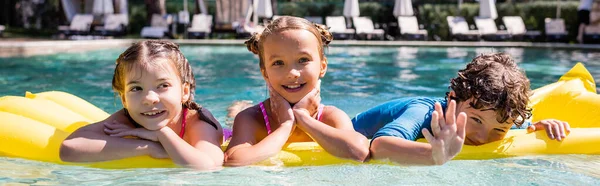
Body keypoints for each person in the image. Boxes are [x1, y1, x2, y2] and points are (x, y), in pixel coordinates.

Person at [352, 53, 571, 165]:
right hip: (348, 131)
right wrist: (433, 155)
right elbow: (378, 147)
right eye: (475, 121)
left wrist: (540, 127)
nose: (483, 138)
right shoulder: (423, 113)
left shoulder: (500, 120)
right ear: (453, 100)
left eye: (498, 131)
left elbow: (521, 127)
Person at [224, 16, 370, 166]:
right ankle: (237, 107)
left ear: (322, 66)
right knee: (233, 118)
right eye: (278, 63)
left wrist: (303, 118)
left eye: (303, 60)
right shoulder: (251, 118)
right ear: (265, 73)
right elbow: (233, 161)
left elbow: (360, 153)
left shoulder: (330, 117)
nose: (293, 73)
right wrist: (286, 125)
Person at [60, 40, 224, 170]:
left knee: (234, 112)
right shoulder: (127, 119)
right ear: (124, 99)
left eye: (163, 86)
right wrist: (148, 147)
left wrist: (163, 134)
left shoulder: (198, 121)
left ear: (185, 92)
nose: (149, 98)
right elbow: (69, 148)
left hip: (224, 133)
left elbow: (207, 166)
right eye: (136, 88)